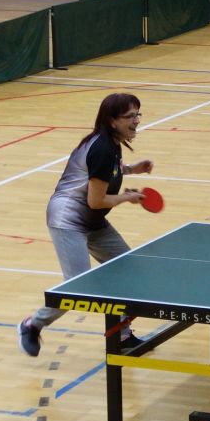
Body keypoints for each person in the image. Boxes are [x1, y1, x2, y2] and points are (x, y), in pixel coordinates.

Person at [18, 93, 153, 357]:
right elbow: (96, 200)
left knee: (128, 270)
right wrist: (127, 197)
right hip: (68, 220)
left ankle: (122, 335)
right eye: (130, 116)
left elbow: (106, 171)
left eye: (138, 114)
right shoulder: (102, 148)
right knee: (77, 286)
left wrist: (132, 169)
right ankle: (32, 324)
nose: (136, 120)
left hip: (93, 220)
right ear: (112, 121)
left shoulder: (111, 143)